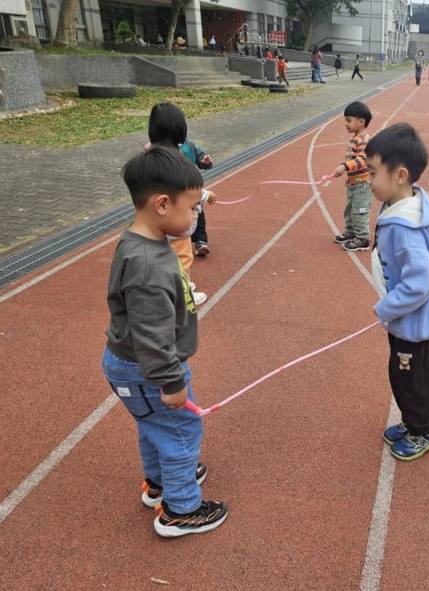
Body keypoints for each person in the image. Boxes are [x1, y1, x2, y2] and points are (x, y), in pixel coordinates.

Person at [103, 146, 229, 537]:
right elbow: (153, 336)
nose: (196, 216)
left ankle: (159, 483)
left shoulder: (143, 243)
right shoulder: (148, 265)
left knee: (154, 425)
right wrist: (171, 382)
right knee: (180, 430)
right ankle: (181, 509)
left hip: (135, 367)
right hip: (149, 369)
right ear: (161, 204)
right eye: (192, 208)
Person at [366, 123, 429, 461]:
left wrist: (387, 307)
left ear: (399, 175)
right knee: (405, 378)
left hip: (413, 326)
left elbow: (421, 281)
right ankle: (416, 422)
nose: (369, 180)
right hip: (408, 323)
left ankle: (425, 430)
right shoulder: (405, 204)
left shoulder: (405, 229)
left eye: (372, 172)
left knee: (412, 382)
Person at [147, 102, 216, 304]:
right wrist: (206, 196)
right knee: (182, 259)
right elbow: (186, 190)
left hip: (156, 223)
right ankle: (182, 295)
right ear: (180, 129)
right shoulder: (175, 159)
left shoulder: (151, 154)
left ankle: (174, 285)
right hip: (175, 224)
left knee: (164, 258)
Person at [332, 102, 373, 251]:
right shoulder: (355, 137)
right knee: (350, 209)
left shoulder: (363, 140)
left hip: (362, 184)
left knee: (359, 209)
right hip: (354, 182)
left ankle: (362, 238)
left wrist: (344, 166)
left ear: (361, 122)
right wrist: (349, 177)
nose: (346, 124)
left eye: (349, 120)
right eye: (346, 120)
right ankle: (351, 232)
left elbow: (362, 159)